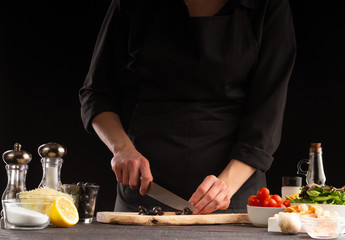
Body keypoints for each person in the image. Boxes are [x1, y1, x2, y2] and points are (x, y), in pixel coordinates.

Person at [79, 0, 296, 214]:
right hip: (143, 195)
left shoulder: (269, 4)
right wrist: (121, 149)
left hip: (230, 195)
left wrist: (226, 185)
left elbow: (269, 111)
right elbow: (97, 93)